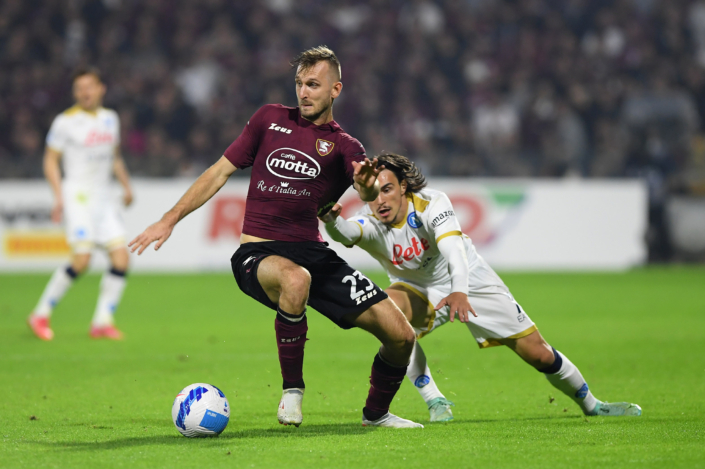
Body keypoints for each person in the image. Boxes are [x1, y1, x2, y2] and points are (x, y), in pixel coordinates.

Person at [129, 46, 422, 429]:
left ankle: (376, 414)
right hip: (259, 252)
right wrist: (170, 219)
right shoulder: (268, 119)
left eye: (313, 85)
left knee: (401, 336)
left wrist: (367, 190)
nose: (303, 92)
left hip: (314, 253)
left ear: (335, 89)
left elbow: (364, 187)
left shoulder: (345, 145)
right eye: (299, 83)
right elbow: (218, 172)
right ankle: (292, 393)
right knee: (294, 279)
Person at [322, 152, 642, 422]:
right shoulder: (371, 220)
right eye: (374, 193)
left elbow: (454, 252)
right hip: (415, 288)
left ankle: (593, 406)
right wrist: (332, 221)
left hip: (471, 280)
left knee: (539, 354)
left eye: (388, 189)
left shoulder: (433, 203)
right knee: (392, 319)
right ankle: (435, 400)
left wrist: (459, 289)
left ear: (403, 187)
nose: (381, 200)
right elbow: (349, 233)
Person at [28, 67, 133, 341]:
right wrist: (58, 195)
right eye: (80, 89)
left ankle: (102, 321)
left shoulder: (111, 119)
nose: (85, 93)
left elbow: (115, 157)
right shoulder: (65, 122)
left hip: (103, 198)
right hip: (78, 196)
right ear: (75, 93)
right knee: (82, 259)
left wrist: (126, 184)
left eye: (90, 87)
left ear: (101, 89)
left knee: (121, 259)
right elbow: (50, 160)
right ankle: (40, 314)